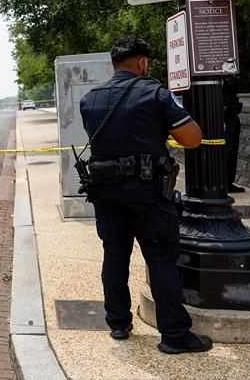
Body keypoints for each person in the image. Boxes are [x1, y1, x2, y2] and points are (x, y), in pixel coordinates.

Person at [79, 36, 212, 355]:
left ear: (113, 64)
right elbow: (193, 139)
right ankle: (175, 335)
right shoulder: (155, 93)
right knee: (161, 259)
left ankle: (117, 323)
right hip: (147, 193)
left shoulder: (90, 99)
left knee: (114, 254)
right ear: (141, 63)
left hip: (105, 192)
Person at [223, 74, 245, 193]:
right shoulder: (219, 76)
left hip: (232, 116)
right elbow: (217, 97)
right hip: (225, 116)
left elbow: (232, 96)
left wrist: (236, 117)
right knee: (227, 150)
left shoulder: (230, 76)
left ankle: (229, 182)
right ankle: (224, 182)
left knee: (232, 150)